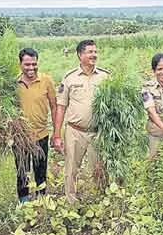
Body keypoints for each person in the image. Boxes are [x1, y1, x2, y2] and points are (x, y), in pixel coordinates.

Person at [52, 40, 111, 203]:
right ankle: (71, 200)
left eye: (95, 52)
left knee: (99, 167)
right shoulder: (69, 78)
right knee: (71, 168)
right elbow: (61, 107)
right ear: (80, 55)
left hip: (98, 132)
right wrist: (57, 134)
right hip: (75, 131)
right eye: (90, 52)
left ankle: (101, 199)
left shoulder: (105, 76)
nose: (94, 55)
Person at [15, 48, 57, 203]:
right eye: (27, 64)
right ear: (20, 64)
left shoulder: (46, 80)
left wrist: (56, 132)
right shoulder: (14, 83)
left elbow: (54, 106)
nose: (31, 68)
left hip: (41, 134)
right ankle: (24, 201)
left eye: (34, 64)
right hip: (20, 137)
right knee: (22, 171)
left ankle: (41, 200)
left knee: (40, 170)